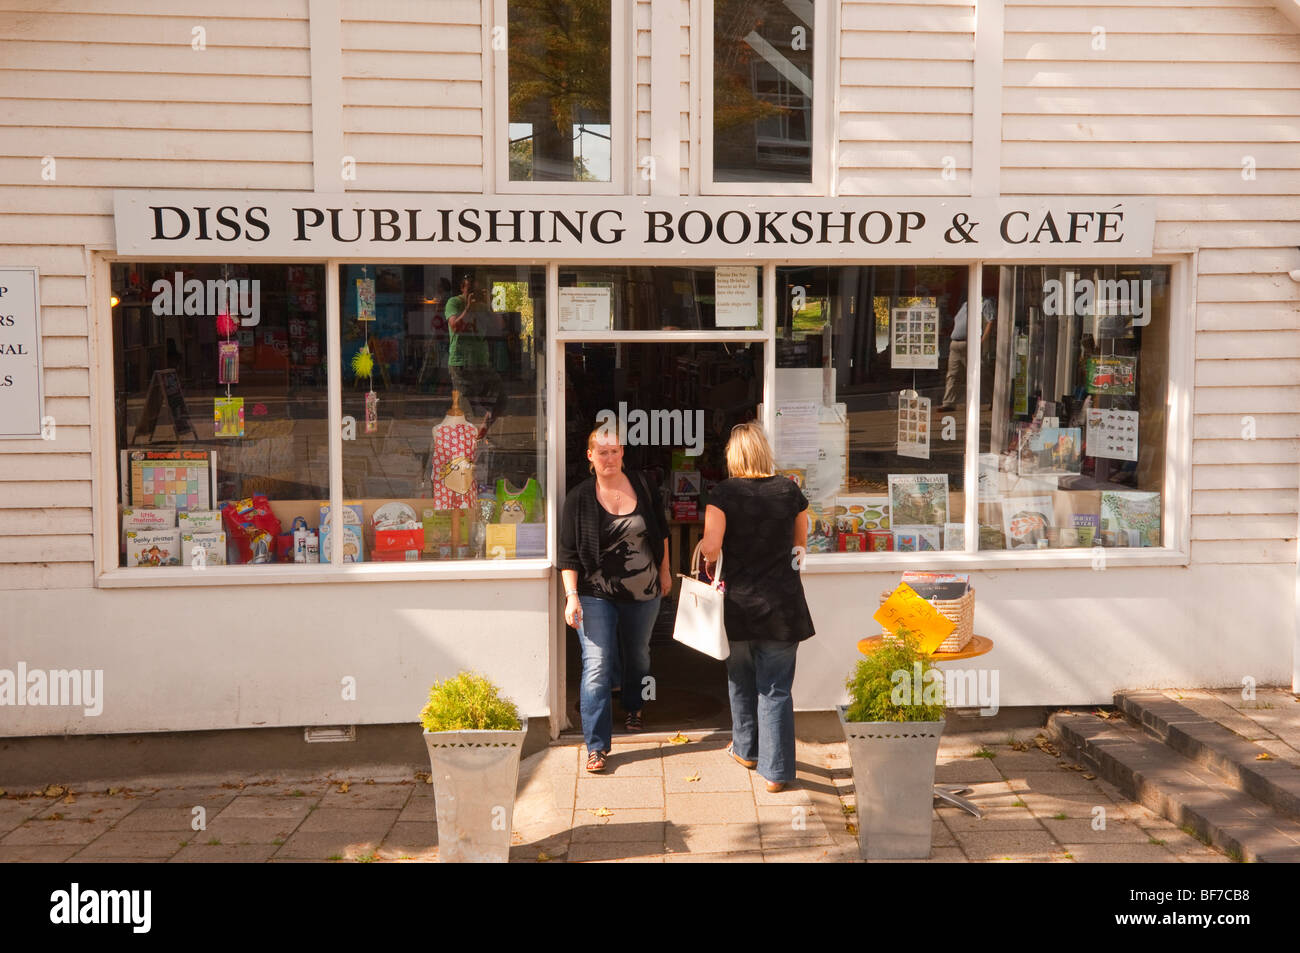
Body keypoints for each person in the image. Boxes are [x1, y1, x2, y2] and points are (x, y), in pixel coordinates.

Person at [699, 422, 815, 793]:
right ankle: (777, 772)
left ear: (734, 455)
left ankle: (746, 751)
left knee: (740, 679)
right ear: (764, 450)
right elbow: (800, 543)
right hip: (783, 604)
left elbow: (712, 547)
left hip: (739, 605)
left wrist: (706, 549)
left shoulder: (723, 493)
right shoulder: (790, 491)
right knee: (776, 688)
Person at [559, 425, 672, 773]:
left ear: (623, 452)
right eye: (601, 451)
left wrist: (666, 571)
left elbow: (661, 531)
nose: (609, 457)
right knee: (597, 665)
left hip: (644, 589)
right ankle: (597, 746)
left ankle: (635, 706)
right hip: (596, 594)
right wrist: (571, 597)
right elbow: (567, 553)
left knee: (638, 654)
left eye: (614, 450)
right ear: (590, 456)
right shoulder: (579, 497)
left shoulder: (642, 484)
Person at [445, 273, 505, 437]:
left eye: (476, 289)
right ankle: (465, 443)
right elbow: (455, 326)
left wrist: (490, 303)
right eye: (470, 288)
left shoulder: (482, 306)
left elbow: (500, 326)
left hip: (481, 361)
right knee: (465, 408)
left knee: (500, 398)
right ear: (462, 288)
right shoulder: (454, 302)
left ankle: (483, 429)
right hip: (461, 363)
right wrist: (468, 308)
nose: (473, 293)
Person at [939, 297, 995, 410]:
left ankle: (994, 400)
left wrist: (982, 341)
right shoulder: (965, 304)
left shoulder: (985, 303)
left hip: (970, 343)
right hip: (956, 344)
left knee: (981, 373)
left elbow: (990, 322)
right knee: (953, 375)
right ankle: (948, 403)